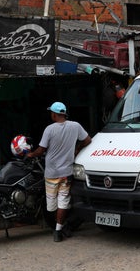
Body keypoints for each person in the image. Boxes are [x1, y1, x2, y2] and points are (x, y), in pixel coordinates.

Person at [26, 101, 92, 242]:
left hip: (51, 173)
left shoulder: (49, 129)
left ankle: (58, 227)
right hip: (66, 172)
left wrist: (31, 154)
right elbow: (88, 140)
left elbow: (41, 149)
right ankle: (59, 229)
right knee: (63, 201)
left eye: (51, 113)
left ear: (55, 114)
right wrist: (77, 149)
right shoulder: (75, 126)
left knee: (52, 205)